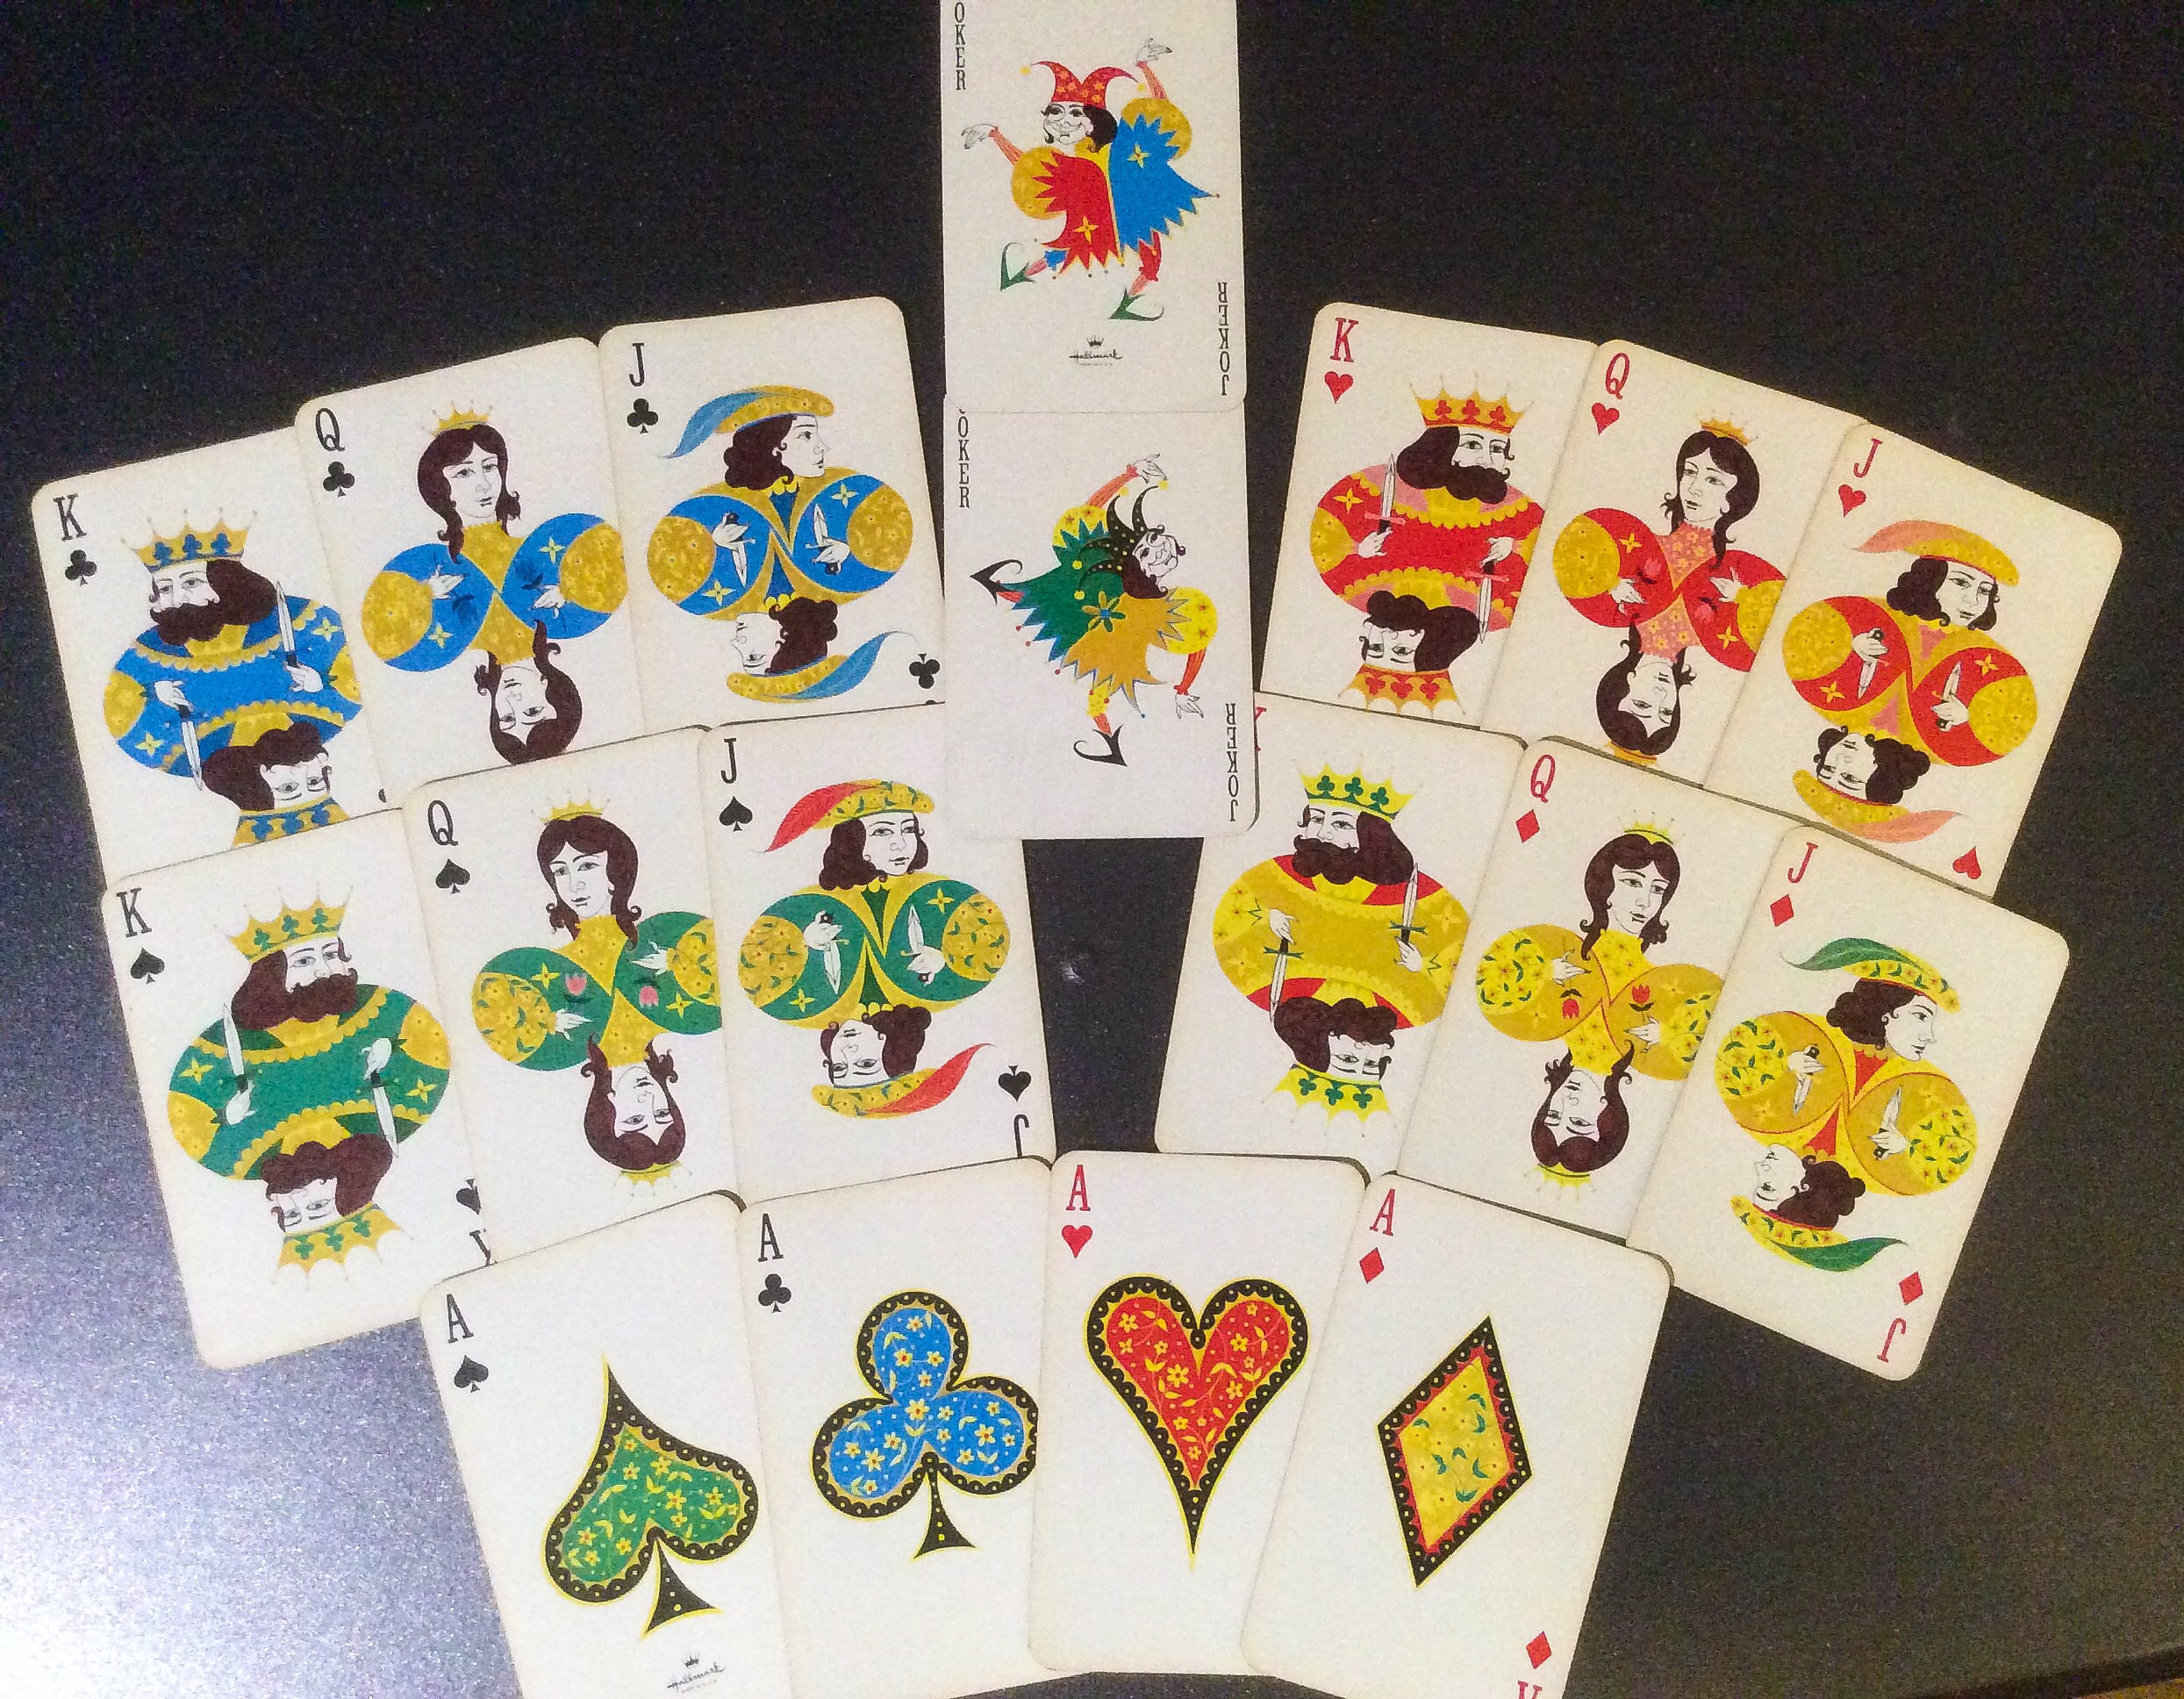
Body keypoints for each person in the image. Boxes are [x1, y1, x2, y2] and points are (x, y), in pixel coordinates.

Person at [166, 899, 451, 1268]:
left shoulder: (378, 1009)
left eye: (332, 955)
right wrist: (389, 1047)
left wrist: (228, 1115)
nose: (323, 971)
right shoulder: (388, 1117)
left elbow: (197, 1120)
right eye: (303, 961)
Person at [359, 411, 625, 763]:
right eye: (464, 473)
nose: (484, 485)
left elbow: (384, 628)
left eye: (507, 719)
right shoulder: (555, 591)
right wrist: (568, 590)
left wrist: (425, 594)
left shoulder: (456, 639)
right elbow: (607, 559)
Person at [470, 806, 720, 1179]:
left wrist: (548, 1020)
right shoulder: (673, 998)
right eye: (560, 871)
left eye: (586, 866)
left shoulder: (556, 1024)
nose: (574, 886)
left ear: (616, 874)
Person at [740, 779, 1009, 1116]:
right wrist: (944, 960)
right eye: (883, 832)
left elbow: (755, 964)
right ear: (857, 844)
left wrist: (803, 941)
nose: (901, 843)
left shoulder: (809, 1008)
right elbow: (988, 937)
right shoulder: (927, 994)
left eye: (840, 1067)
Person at [1210, 768, 1465, 1122]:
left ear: (1371, 837)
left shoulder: (1416, 894)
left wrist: (1268, 917)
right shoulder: (1276, 877)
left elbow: (1236, 929)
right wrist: (1420, 965)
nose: (1323, 833)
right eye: (1316, 819)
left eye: (1342, 824)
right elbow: (1452, 970)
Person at [1474, 826, 1722, 1179]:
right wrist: (1668, 1034)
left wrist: (1545, 972)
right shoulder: (1654, 1050)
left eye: (1658, 890)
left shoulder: (1552, 1015)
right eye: (1633, 883)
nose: (1645, 903)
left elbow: (1499, 982)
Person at [1714, 936, 1975, 1270]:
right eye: (1922, 1016)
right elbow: (1951, 1150)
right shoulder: (1873, 1156)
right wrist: (1905, 1145)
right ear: (1886, 1015)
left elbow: (1737, 1057)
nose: (1930, 1035)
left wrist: (1785, 1064)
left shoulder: (1785, 1118)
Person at [648, 386, 915, 702]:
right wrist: (848, 551)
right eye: (806, 435)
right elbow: (887, 531)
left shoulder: (725, 596)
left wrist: (711, 543)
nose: (823, 447)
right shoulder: (821, 580)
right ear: (775, 448)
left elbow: (669, 556)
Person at [1781, 519, 2035, 841]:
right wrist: (1968, 715)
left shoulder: (1840, 705)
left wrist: (1850, 645)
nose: (1973, 601)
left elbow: (1808, 638)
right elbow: (2011, 720)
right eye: (1850, 777)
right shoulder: (1936, 740)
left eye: (1828, 769)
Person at [106, 519, 363, 832]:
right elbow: (123, 708)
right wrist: (154, 693)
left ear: (225, 582)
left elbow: (353, 665)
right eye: (165, 589)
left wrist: (319, 682)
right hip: (233, 774)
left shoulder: (295, 619)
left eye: (190, 583)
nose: (176, 599)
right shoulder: (148, 652)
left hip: (303, 761)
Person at [1550, 422, 1782, 760]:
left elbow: (1578, 549)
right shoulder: (1715, 637)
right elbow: (1776, 626)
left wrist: (1609, 583)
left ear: (1731, 502)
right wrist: (1743, 598)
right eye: (1690, 472)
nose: (1694, 488)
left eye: (1713, 480)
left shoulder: (1632, 570)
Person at [1309, 390, 1544, 713]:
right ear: (1443, 448)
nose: (1487, 459)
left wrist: (1513, 546)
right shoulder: (1383, 485)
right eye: (1473, 445)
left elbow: (1543, 553)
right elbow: (1330, 529)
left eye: (1498, 450)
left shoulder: (1516, 508)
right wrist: (1359, 548)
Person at [970, 456, 1215, 765]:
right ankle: (996, 588)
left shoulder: (1166, 607)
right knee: (1041, 597)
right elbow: (1091, 513)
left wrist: (1184, 689)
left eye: (1167, 553)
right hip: (1086, 622)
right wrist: (1129, 475)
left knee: (1100, 692)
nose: (1159, 553)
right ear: (1135, 550)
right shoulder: (1101, 568)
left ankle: (1110, 744)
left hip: (1112, 643)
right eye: (1150, 547)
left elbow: (1198, 638)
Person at [962, 42, 1206, 320]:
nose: (1064, 124)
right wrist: (995, 136)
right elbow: (1030, 166)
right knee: (1064, 252)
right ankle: (1020, 277)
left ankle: (1126, 304)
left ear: (1094, 119)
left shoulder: (1122, 143)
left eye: (1076, 114)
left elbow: (1160, 111)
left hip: (1136, 213)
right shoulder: (1080, 158)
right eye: (1057, 114)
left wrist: (1144, 66)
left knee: (1150, 264)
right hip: (1100, 219)